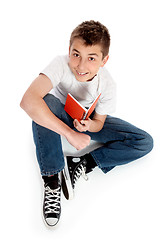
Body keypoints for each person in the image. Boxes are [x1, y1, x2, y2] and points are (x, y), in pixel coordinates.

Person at [20, 20, 153, 227]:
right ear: (69, 50)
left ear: (104, 60)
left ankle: (82, 162)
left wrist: (88, 127)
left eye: (91, 58)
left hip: (85, 120)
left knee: (144, 141)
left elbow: (99, 123)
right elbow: (28, 101)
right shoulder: (60, 63)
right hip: (58, 116)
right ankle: (52, 178)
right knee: (43, 101)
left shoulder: (108, 85)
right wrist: (70, 134)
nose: (81, 66)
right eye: (76, 55)